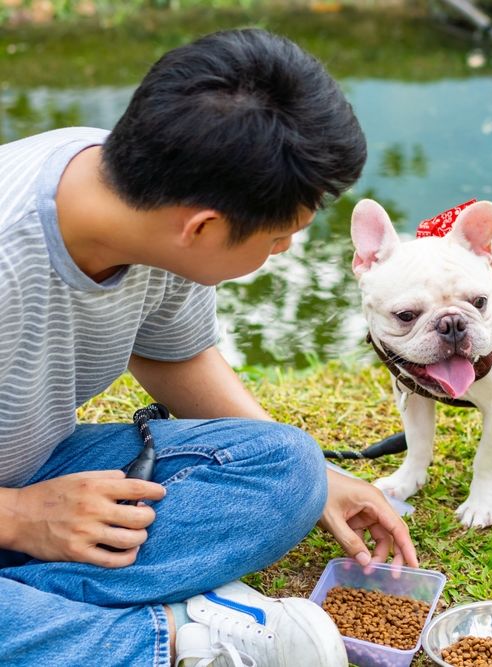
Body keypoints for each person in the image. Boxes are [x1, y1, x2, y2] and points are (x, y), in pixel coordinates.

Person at [0, 28, 417, 667]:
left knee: (287, 467)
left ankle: (39, 618)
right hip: (16, 502)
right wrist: (22, 518)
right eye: (282, 237)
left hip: (36, 466)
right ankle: (161, 642)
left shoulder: (148, 196)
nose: (284, 252)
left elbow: (174, 354)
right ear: (203, 227)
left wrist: (321, 483)